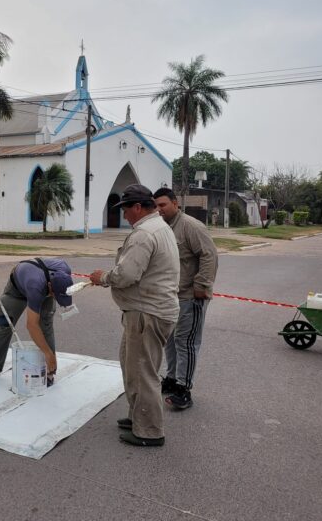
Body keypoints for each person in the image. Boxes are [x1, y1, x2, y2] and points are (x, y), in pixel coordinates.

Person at [89, 184, 179, 447]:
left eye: (126, 209)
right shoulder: (161, 227)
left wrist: (102, 278)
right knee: (132, 366)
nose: (124, 215)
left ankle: (149, 431)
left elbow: (127, 275)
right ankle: (138, 416)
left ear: (138, 207)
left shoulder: (144, 233)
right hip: (149, 311)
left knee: (142, 372)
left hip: (146, 313)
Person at [153, 187, 218, 410]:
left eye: (163, 205)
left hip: (191, 295)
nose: (159, 210)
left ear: (175, 203)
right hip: (171, 295)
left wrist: (202, 286)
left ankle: (184, 389)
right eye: (156, 206)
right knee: (170, 340)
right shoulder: (162, 228)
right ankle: (171, 379)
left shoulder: (190, 226)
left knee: (186, 341)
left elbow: (209, 255)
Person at [0, 258, 75, 385]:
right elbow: (31, 325)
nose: (55, 297)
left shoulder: (64, 272)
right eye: (55, 294)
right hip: (17, 290)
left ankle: (50, 372)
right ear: (50, 285)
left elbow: (59, 291)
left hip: (42, 286)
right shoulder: (35, 285)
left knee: (46, 325)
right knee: (4, 325)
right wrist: (47, 353)